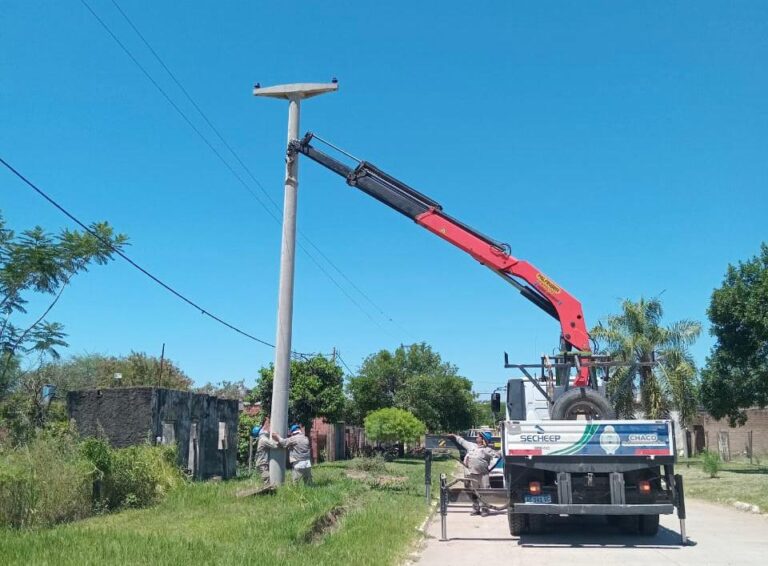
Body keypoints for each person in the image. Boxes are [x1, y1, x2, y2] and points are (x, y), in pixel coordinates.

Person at [450, 431, 498, 516]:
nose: (477, 438)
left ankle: (485, 509)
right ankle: (476, 508)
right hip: (473, 474)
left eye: (479, 437)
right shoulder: (471, 446)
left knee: (485, 491)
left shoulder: (488, 450)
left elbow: (498, 456)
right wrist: (455, 436)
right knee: (474, 491)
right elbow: (462, 441)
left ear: (483, 440)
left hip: (484, 475)